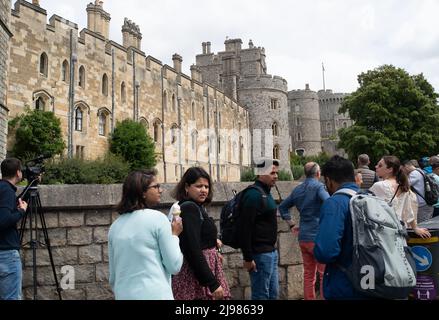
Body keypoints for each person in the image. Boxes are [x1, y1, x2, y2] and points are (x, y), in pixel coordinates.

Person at [108, 169, 183, 300]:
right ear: (142, 192)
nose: (161, 190)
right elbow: (174, 265)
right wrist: (175, 235)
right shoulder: (158, 219)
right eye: (156, 186)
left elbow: (113, 276)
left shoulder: (115, 227)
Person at [171, 167, 231, 300]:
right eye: (199, 186)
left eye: (206, 186)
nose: (204, 190)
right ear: (187, 187)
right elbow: (193, 249)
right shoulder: (189, 208)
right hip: (195, 277)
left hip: (202, 272)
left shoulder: (196, 206)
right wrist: (212, 283)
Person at [314, 155, 367, 299]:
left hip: (346, 283)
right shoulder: (369, 198)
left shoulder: (335, 203)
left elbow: (325, 252)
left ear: (329, 181)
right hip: (371, 279)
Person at [278, 162, 329, 300]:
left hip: (303, 237)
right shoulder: (319, 187)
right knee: (324, 274)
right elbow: (329, 202)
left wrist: (291, 224)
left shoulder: (297, 190)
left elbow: (282, 207)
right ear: (318, 174)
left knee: (308, 273)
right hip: (318, 237)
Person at [240, 158, 279, 300]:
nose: (276, 176)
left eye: (276, 173)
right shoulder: (253, 195)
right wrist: (248, 257)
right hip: (260, 254)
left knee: (273, 294)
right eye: (272, 173)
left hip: (270, 252)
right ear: (260, 174)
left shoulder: (265, 192)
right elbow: (245, 228)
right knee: (261, 295)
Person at [370, 156, 430, 238]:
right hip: (400, 233)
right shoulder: (403, 185)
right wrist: (415, 228)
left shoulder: (379, 186)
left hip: (383, 234)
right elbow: (409, 211)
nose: (376, 167)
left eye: (380, 165)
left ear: (390, 169)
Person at [0, 158, 28, 300]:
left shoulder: (2, 188)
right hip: (6, 254)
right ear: (18, 173)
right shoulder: (6, 190)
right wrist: (21, 212)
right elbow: (3, 220)